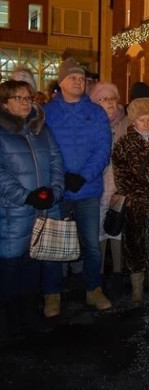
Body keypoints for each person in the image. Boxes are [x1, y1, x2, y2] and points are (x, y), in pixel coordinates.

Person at [42, 57, 113, 317]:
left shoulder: (95, 112)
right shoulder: (47, 113)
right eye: (72, 77)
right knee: (52, 244)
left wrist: (83, 176)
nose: (78, 81)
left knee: (92, 244)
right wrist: (61, 176)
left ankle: (93, 289)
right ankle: (52, 293)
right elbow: (45, 149)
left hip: (88, 189)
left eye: (82, 78)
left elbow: (103, 148)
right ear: (61, 82)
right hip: (58, 189)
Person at [0, 80, 64, 336]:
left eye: (28, 97)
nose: (26, 102)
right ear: (5, 103)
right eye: (18, 98)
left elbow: (56, 161)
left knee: (33, 266)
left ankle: (29, 314)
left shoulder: (41, 129)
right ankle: (9, 320)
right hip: (12, 212)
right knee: (11, 267)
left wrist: (55, 192)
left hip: (42, 209)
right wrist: (26, 196)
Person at [111, 98, 149, 305]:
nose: (146, 124)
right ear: (133, 121)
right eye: (141, 119)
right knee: (135, 245)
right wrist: (143, 193)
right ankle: (137, 288)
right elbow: (121, 176)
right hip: (136, 204)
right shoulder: (124, 144)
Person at [89, 82, 130, 296]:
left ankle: (117, 274)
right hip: (96, 186)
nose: (110, 103)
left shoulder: (127, 123)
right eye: (103, 99)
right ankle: (98, 277)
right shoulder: (90, 123)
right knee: (98, 232)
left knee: (118, 230)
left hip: (120, 187)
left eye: (112, 98)